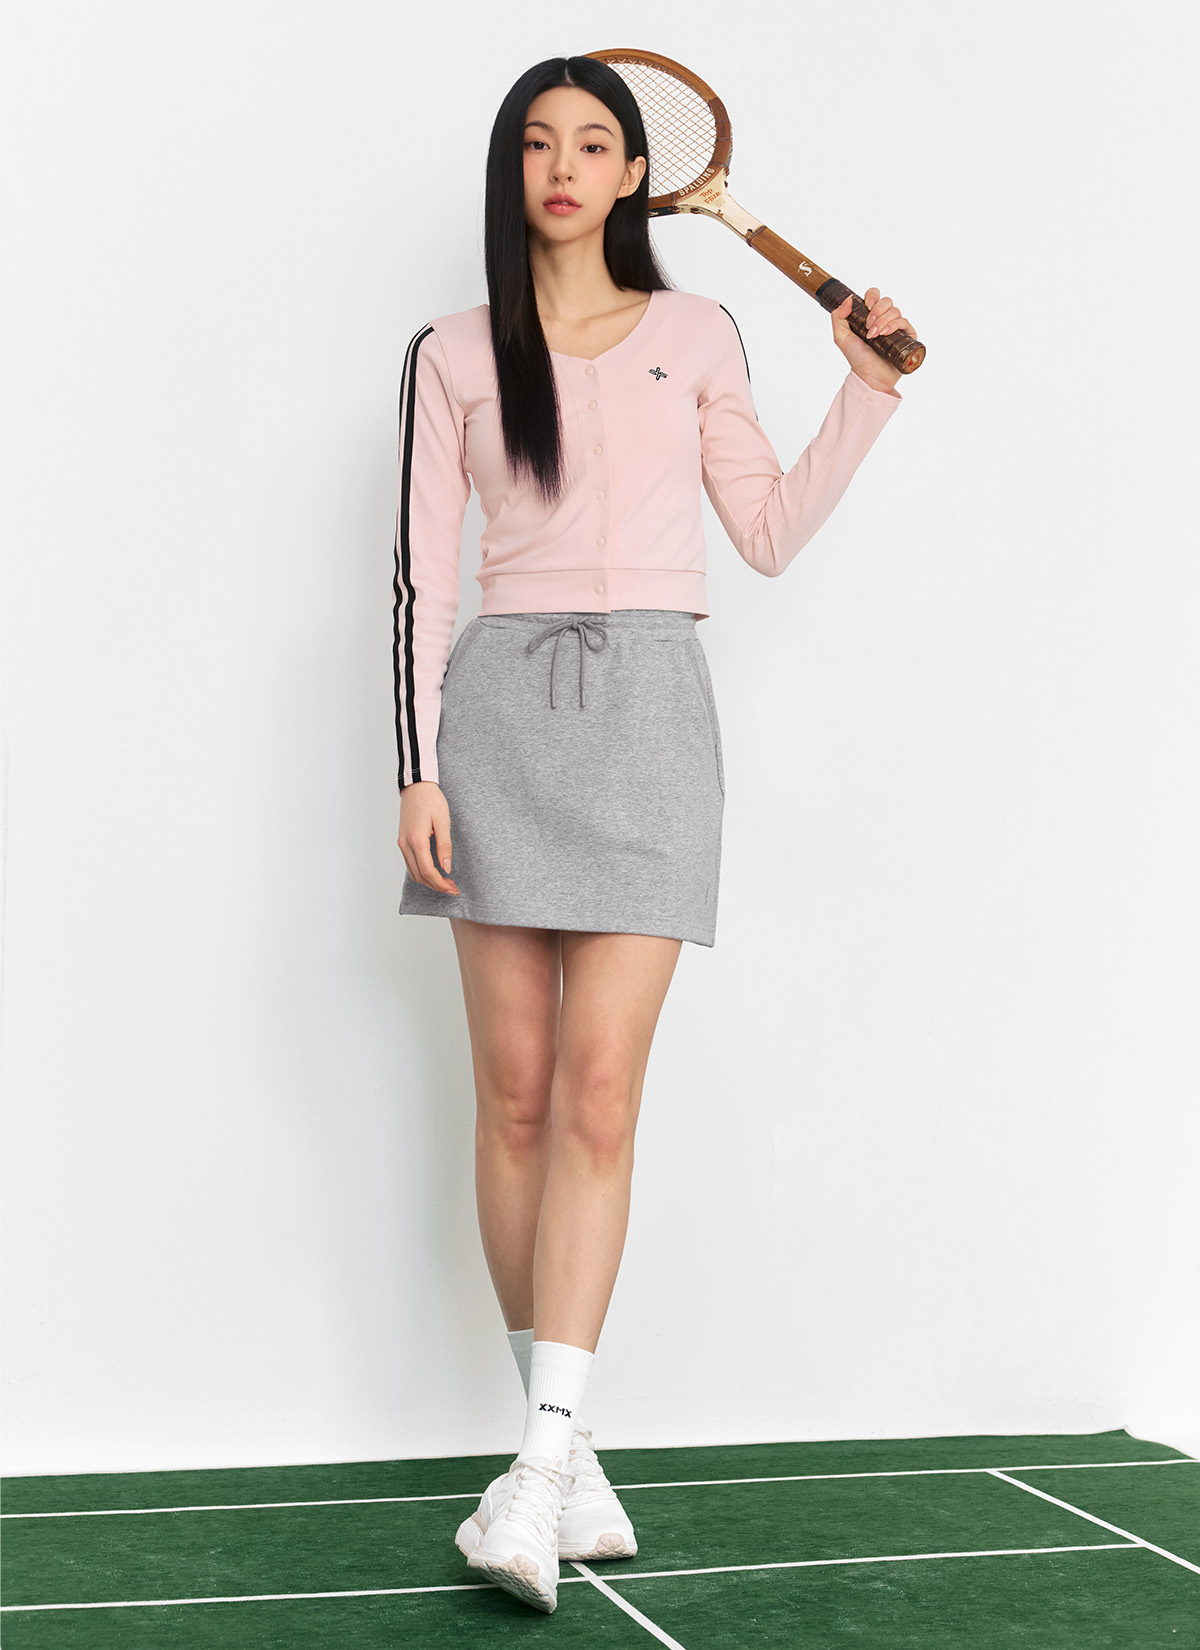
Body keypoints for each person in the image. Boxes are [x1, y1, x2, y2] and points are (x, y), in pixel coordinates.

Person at [391, 55, 914, 1614]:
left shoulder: (702, 334)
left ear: (636, 175)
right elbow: (422, 572)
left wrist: (864, 394)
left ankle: (539, 1465)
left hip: (654, 719)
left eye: (596, 142)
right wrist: (415, 767)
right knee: (515, 1093)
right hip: (498, 721)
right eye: (538, 142)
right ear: (515, 170)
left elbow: (764, 531)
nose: (565, 164)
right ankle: (561, 1448)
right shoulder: (452, 350)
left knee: (603, 1091)